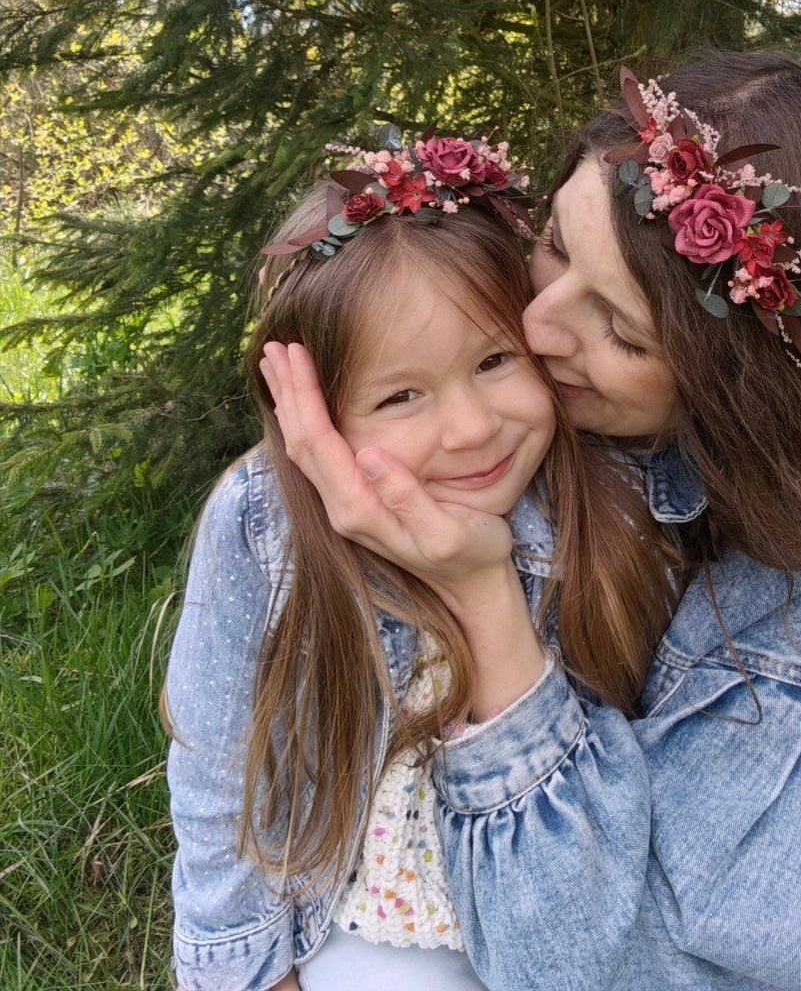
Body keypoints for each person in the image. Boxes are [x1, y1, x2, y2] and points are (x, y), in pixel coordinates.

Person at [267, 52, 801, 991]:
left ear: (730, 382)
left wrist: (483, 605)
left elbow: (593, 971)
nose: (536, 327)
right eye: (553, 243)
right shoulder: (539, 429)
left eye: (622, 333)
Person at [163, 129, 678, 991]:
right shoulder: (265, 525)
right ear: (315, 416)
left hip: (557, 909)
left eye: (493, 360)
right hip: (363, 919)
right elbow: (220, 775)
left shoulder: (612, 506)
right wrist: (245, 973)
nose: (472, 429)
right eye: (402, 394)